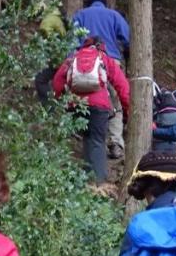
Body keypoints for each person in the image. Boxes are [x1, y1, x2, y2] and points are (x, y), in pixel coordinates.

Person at [52, 38, 131, 182]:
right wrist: (128, 110)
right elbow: (122, 86)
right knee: (97, 142)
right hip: (99, 107)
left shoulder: (73, 58)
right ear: (101, 47)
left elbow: (57, 81)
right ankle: (98, 184)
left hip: (76, 105)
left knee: (87, 139)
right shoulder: (104, 58)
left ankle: (86, 179)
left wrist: (58, 101)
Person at [72, 0, 131, 159]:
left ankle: (85, 138)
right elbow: (127, 39)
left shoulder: (80, 15)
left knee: (85, 100)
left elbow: (71, 41)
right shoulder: (114, 15)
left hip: (84, 64)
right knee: (115, 104)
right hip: (111, 62)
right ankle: (115, 143)